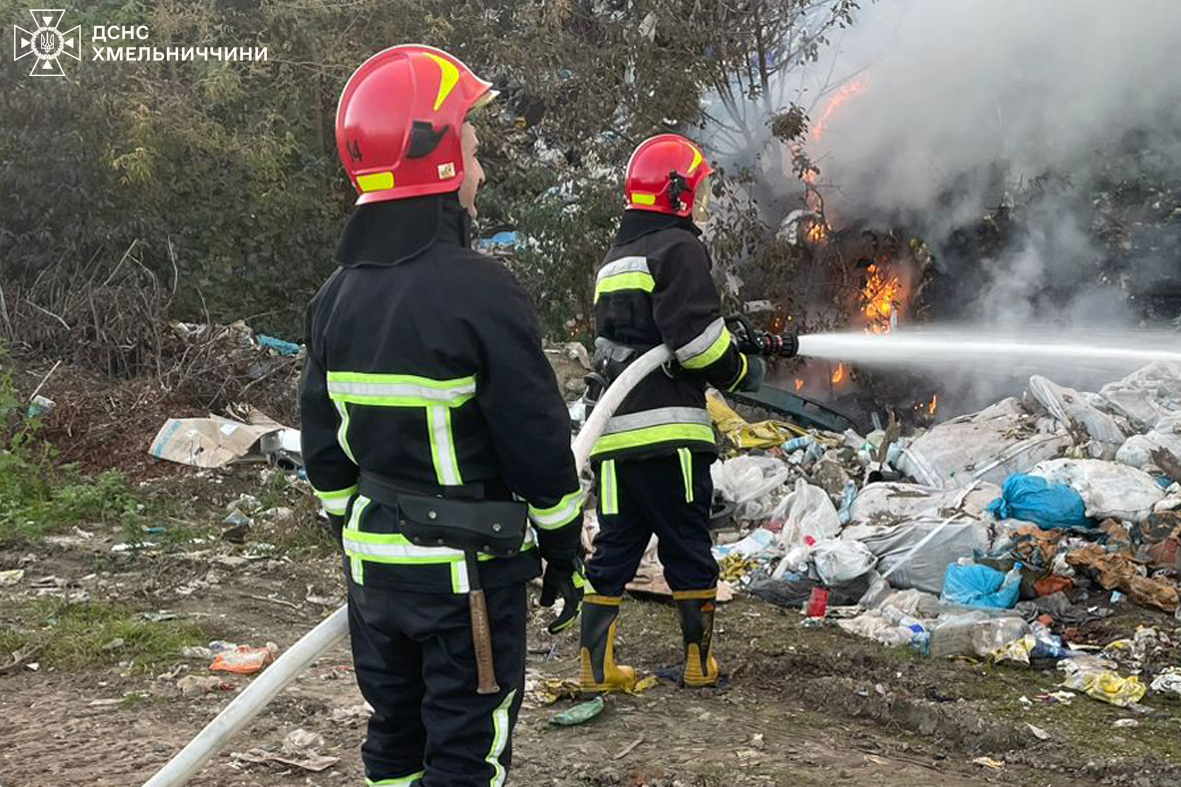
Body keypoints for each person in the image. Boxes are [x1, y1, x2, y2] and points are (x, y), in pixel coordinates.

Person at [300, 44, 585, 787]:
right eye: (474, 149)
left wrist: (356, 532)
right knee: (466, 755)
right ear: (440, 160)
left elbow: (323, 447)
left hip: (374, 576)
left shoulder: (334, 297)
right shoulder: (480, 291)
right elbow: (537, 439)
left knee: (394, 741)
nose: (481, 171)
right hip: (465, 582)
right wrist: (562, 547)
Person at [580, 134, 766, 692]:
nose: (702, 202)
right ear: (677, 192)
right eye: (699, 188)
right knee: (687, 544)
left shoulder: (615, 258)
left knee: (614, 546)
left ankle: (595, 669)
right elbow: (697, 344)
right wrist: (739, 372)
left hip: (613, 442)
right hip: (670, 439)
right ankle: (696, 662)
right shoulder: (678, 248)